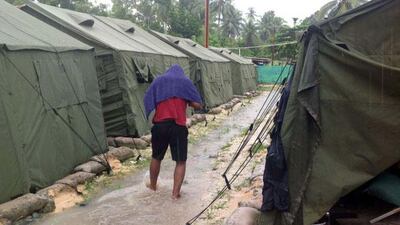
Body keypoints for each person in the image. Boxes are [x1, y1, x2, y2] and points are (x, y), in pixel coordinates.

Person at [143, 64, 202, 199]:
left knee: (156, 157)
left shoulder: (159, 81)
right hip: (178, 126)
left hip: (160, 125)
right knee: (180, 161)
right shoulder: (185, 82)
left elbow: (147, 98)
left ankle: (152, 188)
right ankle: (175, 195)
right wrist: (187, 100)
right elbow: (198, 104)